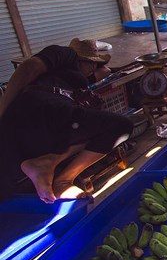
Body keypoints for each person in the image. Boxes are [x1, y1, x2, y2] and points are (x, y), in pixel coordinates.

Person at [0, 39, 133, 203]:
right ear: (81, 59)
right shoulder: (65, 54)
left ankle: (57, 177)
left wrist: (96, 70)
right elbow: (28, 68)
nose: (93, 69)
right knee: (120, 126)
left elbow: (104, 72)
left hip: (35, 137)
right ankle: (58, 176)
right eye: (91, 63)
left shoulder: (80, 85)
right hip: (39, 110)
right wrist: (2, 111)